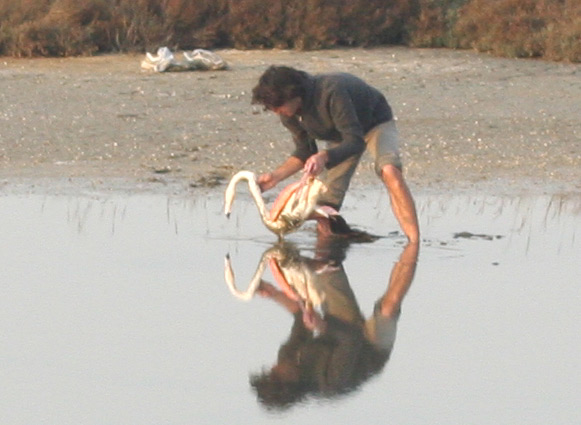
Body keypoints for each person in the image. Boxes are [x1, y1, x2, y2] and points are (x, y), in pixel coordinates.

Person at [251, 65, 420, 243]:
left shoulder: (331, 91)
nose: (276, 111)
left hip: (374, 122)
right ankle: (326, 252)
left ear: (294, 94)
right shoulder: (288, 113)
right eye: (272, 108)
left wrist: (324, 156)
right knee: (324, 205)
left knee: (390, 172)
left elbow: (354, 141)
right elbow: (305, 151)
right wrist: (275, 177)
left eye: (278, 105)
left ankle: (414, 244)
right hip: (341, 136)